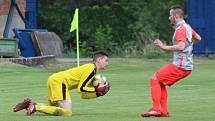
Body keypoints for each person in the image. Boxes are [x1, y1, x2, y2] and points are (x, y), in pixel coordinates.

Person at [140, 5, 201, 117]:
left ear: (176, 16)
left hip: (180, 66)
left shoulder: (180, 29)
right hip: (186, 66)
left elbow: (181, 46)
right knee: (160, 82)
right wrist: (188, 46)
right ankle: (163, 112)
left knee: (154, 79)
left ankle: (155, 109)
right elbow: (198, 38)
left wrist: (163, 47)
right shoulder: (187, 27)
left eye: (170, 15)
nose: (169, 18)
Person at [13, 51, 110, 116]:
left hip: (54, 79)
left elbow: (84, 95)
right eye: (106, 60)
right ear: (99, 60)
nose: (107, 63)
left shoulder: (91, 69)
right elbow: (81, 89)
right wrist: (96, 89)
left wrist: (98, 93)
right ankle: (36, 107)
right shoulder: (91, 69)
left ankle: (31, 104)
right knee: (67, 113)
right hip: (60, 82)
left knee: (53, 108)